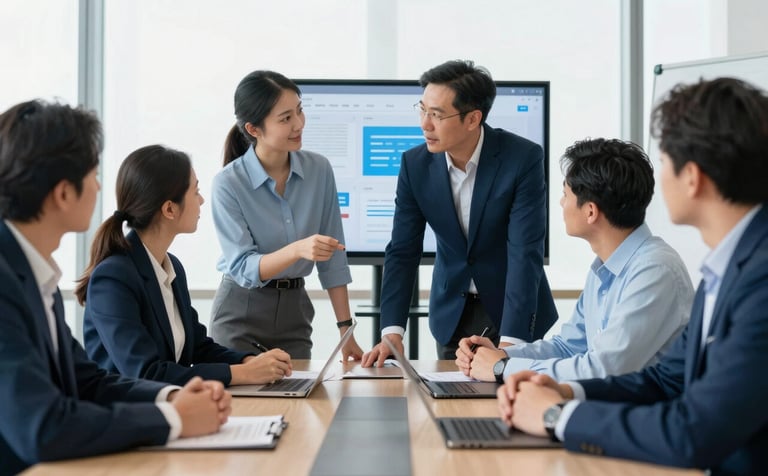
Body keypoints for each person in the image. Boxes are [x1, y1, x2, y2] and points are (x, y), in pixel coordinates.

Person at [498, 77, 768, 474]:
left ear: (692, 177)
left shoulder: (759, 279)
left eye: (664, 162)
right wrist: (566, 391)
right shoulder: (726, 268)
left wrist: (557, 416)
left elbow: (692, 432)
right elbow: (666, 380)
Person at [0, 100, 231, 475]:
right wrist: (172, 419)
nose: (98, 185)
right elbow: (44, 427)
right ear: (63, 193)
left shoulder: (32, 273)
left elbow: (87, 381)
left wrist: (174, 397)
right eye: (93, 173)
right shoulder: (7, 282)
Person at [362, 59, 558, 366]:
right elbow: (403, 250)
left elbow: (525, 251)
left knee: (505, 402)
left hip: (511, 311)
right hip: (452, 314)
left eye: (437, 115)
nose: (425, 124)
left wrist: (512, 345)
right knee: (452, 403)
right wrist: (392, 331)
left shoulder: (521, 159)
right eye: (422, 110)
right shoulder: (415, 165)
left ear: (472, 119)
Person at [455, 138, 693, 382]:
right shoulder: (604, 269)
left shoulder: (654, 271)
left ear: (590, 211)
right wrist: (500, 354)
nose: (561, 202)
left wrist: (503, 369)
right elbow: (568, 347)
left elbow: (603, 369)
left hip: (640, 415)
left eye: (565, 193)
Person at [77, 145, 293, 387]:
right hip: (126, 416)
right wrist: (241, 374)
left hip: (169, 409)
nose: (201, 200)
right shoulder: (113, 278)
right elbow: (145, 373)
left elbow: (198, 346)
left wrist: (250, 361)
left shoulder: (172, 268)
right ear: (170, 208)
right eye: (195, 191)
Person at [209, 70, 363, 360]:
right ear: (254, 129)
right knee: (245, 405)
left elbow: (334, 259)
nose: (299, 124)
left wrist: (346, 330)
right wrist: (298, 249)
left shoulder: (319, 170)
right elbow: (244, 266)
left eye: (299, 111)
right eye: (285, 118)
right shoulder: (228, 184)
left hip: (295, 313)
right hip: (240, 314)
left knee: (301, 399)